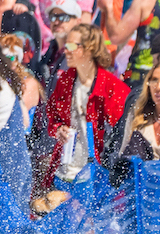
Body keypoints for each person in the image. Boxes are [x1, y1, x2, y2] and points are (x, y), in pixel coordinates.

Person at [35, 22, 128, 210]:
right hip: (66, 167)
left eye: (70, 46)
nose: (65, 51)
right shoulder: (66, 79)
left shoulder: (113, 87)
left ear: (88, 49)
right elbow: (52, 114)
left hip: (96, 172)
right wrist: (58, 129)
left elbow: (120, 132)